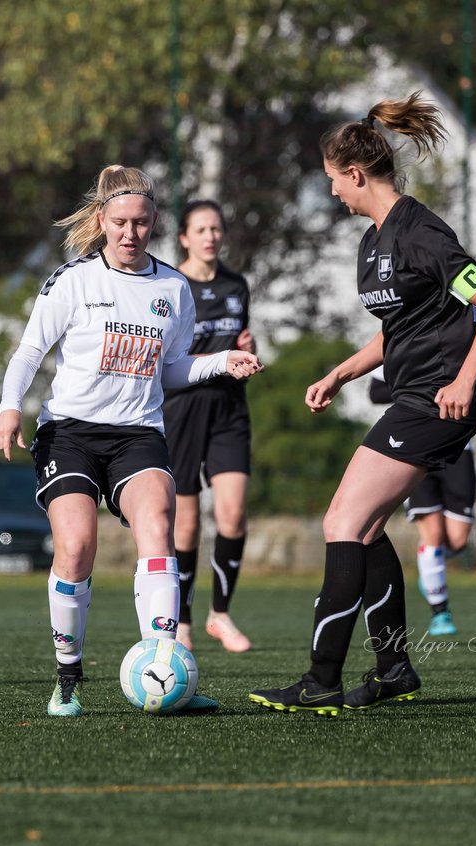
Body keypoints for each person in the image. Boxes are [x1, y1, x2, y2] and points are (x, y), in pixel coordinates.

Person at [249, 92, 476, 715]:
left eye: (333, 181)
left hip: (437, 402)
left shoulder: (423, 232)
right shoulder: (373, 242)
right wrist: (341, 372)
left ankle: (321, 680)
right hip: (412, 397)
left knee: (341, 524)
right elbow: (398, 328)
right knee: (362, 529)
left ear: (356, 174)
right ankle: (393, 669)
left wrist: (465, 379)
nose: (332, 193)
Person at [0, 165, 263, 718]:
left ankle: (166, 672)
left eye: (141, 223)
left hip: (139, 434)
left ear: (155, 223)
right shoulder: (72, 281)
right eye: (119, 222)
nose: (129, 233)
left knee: (158, 528)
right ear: (102, 220)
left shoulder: (172, 287)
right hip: (69, 432)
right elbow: (28, 354)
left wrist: (220, 363)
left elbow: (172, 370)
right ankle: (68, 678)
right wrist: (9, 408)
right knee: (75, 547)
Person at [163, 200, 257, 654]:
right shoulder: (170, 285)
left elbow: (240, 337)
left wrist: (248, 347)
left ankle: (220, 614)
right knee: (185, 527)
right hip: (181, 410)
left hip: (229, 410)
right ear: (184, 237)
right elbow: (167, 357)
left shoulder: (237, 284)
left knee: (234, 514)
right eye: (201, 229)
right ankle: (181, 622)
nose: (210, 236)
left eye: (216, 228)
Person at [370, 365, 476, 636]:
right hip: (414, 446)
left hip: (459, 449)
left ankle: (430, 567)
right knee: (433, 535)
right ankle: (441, 613)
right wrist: (419, 386)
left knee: (458, 541)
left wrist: (461, 386)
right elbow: (376, 391)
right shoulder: (403, 342)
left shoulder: (472, 342)